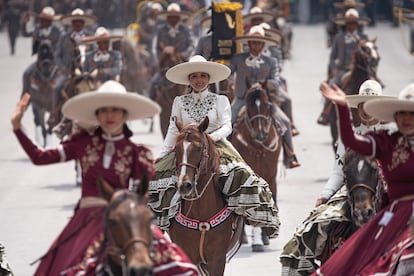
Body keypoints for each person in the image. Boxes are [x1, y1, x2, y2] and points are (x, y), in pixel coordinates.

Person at [11, 80, 199, 275]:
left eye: (115, 110)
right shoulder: (82, 144)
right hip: (87, 219)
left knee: (179, 268)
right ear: (97, 115)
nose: (109, 115)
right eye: (104, 110)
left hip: (126, 217)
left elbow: (139, 195)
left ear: (124, 114)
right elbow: (39, 157)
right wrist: (18, 128)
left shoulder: (136, 153)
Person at [148, 55, 280, 252]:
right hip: (187, 147)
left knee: (243, 175)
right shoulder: (179, 101)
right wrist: (163, 153)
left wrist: (209, 139)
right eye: (194, 76)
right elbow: (173, 130)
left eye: (203, 76)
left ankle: (253, 220)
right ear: (189, 79)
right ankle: (158, 226)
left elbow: (228, 126)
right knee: (156, 179)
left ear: (208, 78)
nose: (199, 80)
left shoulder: (221, 100)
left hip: (217, 145)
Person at [280, 80, 394, 275]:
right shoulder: (349, 136)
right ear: (359, 107)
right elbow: (338, 172)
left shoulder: (391, 133)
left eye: (372, 104)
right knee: (314, 226)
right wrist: (325, 195)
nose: (367, 109)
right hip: (352, 187)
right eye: (363, 104)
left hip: (389, 189)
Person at [314, 81, 414, 275]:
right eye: (402, 113)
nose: (406, 118)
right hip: (396, 212)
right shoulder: (387, 141)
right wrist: (342, 108)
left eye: (412, 113)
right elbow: (351, 143)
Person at [229, 25, 300, 168]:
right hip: (242, 99)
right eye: (253, 42)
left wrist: (264, 84)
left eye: (259, 43)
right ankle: (223, 156)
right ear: (248, 43)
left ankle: (289, 155)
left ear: (263, 44)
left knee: (285, 122)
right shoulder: (238, 59)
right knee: (227, 121)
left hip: (265, 100)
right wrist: (231, 81)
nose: (256, 46)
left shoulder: (271, 61)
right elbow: (228, 73)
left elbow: (276, 81)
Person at [317, 8, 369, 125]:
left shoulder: (364, 38)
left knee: (373, 86)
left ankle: (375, 113)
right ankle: (326, 113)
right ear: (345, 24)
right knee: (331, 85)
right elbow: (332, 57)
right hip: (342, 70)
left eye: (353, 23)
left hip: (359, 70)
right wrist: (334, 70)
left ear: (357, 24)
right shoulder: (339, 37)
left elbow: (369, 57)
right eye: (349, 23)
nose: (351, 26)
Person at [55, 8, 97, 76]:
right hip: (67, 72)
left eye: (80, 21)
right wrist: (62, 68)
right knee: (57, 86)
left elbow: (95, 53)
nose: (77, 24)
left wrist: (91, 67)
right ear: (72, 23)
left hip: (87, 72)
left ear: (83, 23)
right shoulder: (64, 38)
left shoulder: (91, 37)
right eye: (75, 21)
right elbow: (57, 56)